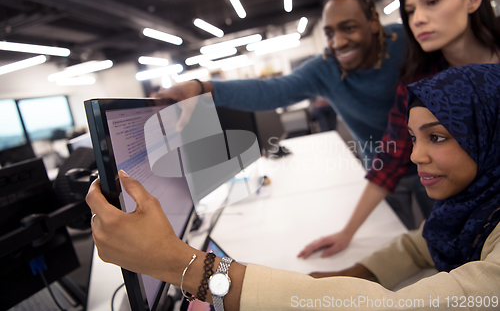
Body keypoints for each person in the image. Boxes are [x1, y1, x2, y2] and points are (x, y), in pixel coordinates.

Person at [87, 63, 500, 310]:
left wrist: (185, 267)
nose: (414, 156)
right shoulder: (473, 211)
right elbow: (419, 244)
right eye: (414, 138)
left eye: (438, 136)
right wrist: (353, 273)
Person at [159, 0, 434, 232]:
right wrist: (204, 88)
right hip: (380, 168)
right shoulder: (326, 68)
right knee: (395, 236)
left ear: (374, 22)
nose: (338, 42)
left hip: (434, 159)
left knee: (450, 236)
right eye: (329, 33)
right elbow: (273, 90)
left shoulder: (409, 43)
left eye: (348, 28)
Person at [298, 0, 500, 259]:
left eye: (432, 2)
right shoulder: (422, 79)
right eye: (410, 10)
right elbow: (392, 153)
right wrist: (348, 232)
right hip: (474, 222)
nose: (418, 19)